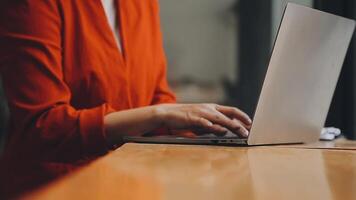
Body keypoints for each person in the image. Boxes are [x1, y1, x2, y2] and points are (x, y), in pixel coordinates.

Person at [0, 0, 251, 165]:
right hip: (59, 186)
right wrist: (159, 114)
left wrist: (202, 131)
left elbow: (157, 96)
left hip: (133, 179)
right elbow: (43, 125)